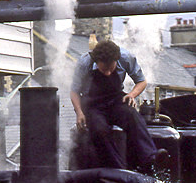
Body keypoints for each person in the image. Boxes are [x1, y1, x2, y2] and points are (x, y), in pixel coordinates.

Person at [70, 40, 167, 172]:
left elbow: (141, 81)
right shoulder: (84, 63)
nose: (108, 73)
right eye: (104, 69)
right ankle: (118, 168)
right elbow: (74, 91)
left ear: (117, 60)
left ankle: (150, 158)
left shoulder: (126, 57)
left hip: (115, 99)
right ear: (96, 61)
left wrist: (132, 95)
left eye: (111, 69)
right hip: (93, 104)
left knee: (133, 116)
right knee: (99, 130)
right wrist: (79, 113)